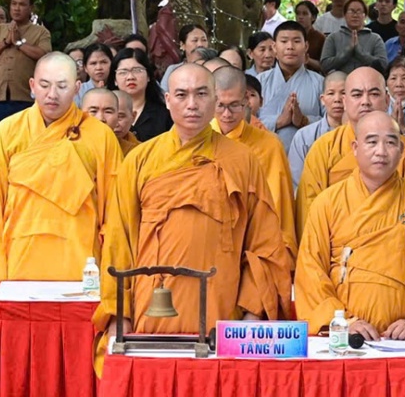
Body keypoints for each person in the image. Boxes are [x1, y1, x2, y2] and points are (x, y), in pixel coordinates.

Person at [95, 64, 292, 360]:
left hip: (222, 315)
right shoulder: (140, 160)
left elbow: (263, 245)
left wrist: (252, 314)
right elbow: (118, 241)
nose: (192, 104)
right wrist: (118, 315)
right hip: (150, 313)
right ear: (167, 100)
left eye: (201, 94)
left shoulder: (243, 161)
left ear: (214, 99)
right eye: (182, 94)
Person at [0, 53, 121, 326]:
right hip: (19, 257)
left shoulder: (100, 136)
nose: (52, 94)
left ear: (77, 88)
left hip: (80, 261)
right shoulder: (8, 131)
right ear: (32, 86)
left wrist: (110, 270)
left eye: (62, 86)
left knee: (78, 338)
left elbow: (114, 211)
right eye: (45, 85)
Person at [295, 111, 405, 339]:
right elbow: (311, 272)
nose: (381, 151)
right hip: (344, 338)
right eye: (371, 142)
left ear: (401, 150)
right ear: (355, 148)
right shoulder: (327, 203)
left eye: (390, 143)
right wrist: (343, 323)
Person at [297, 67, 405, 238]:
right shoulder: (324, 148)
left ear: (387, 100)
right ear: (345, 101)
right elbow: (309, 212)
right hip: (336, 246)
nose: (365, 101)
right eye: (357, 95)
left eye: (374, 94)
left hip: (393, 245)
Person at [212, 67, 297, 261]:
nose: (227, 114)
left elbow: (277, 209)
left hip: (256, 244)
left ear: (246, 102)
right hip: (209, 242)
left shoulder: (269, 145)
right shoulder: (199, 141)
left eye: (234, 105)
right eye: (220, 106)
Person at [0, 0, 52, 126]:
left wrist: (19, 43)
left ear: (31, 8)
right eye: (14, 4)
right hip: (0, 98)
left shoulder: (40, 32)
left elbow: (45, 56)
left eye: (22, 5)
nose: (17, 8)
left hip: (27, 98)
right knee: (1, 136)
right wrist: (5, 43)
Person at [258, 21, 324, 149]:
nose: (290, 47)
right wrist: (278, 121)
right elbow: (247, 121)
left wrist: (304, 120)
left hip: (308, 155)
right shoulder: (260, 81)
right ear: (274, 47)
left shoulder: (320, 83)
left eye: (296, 41)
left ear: (306, 46)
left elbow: (332, 122)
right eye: (284, 41)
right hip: (265, 155)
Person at [290, 72, 346, 190]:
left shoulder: (360, 135)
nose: (337, 99)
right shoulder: (304, 137)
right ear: (322, 99)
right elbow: (297, 184)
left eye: (343, 93)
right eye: (331, 93)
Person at [110, 48, 171, 142]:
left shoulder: (164, 115)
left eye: (137, 70)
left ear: (148, 76)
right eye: (123, 72)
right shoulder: (105, 112)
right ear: (115, 80)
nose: (130, 77)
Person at [320, 0, 388, 74]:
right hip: (340, 80)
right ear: (344, 15)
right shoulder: (333, 37)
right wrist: (347, 52)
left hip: (366, 79)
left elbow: (383, 65)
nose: (355, 15)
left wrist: (360, 53)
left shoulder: (375, 38)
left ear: (365, 15)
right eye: (351, 11)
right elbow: (324, 66)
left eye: (359, 11)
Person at [159, 23, 209, 90]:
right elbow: (163, 93)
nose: (200, 44)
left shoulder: (213, 66)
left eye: (204, 40)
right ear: (182, 45)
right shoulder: (173, 70)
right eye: (195, 40)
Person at [294, 1, 326, 71]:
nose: (300, 17)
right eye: (298, 13)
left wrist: (308, 60)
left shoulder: (320, 38)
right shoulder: (291, 35)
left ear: (313, 17)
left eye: (305, 14)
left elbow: (324, 66)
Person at [112, 89, 141, 155]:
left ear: (133, 117)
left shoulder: (141, 150)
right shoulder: (91, 146)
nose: (116, 124)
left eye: (120, 116)